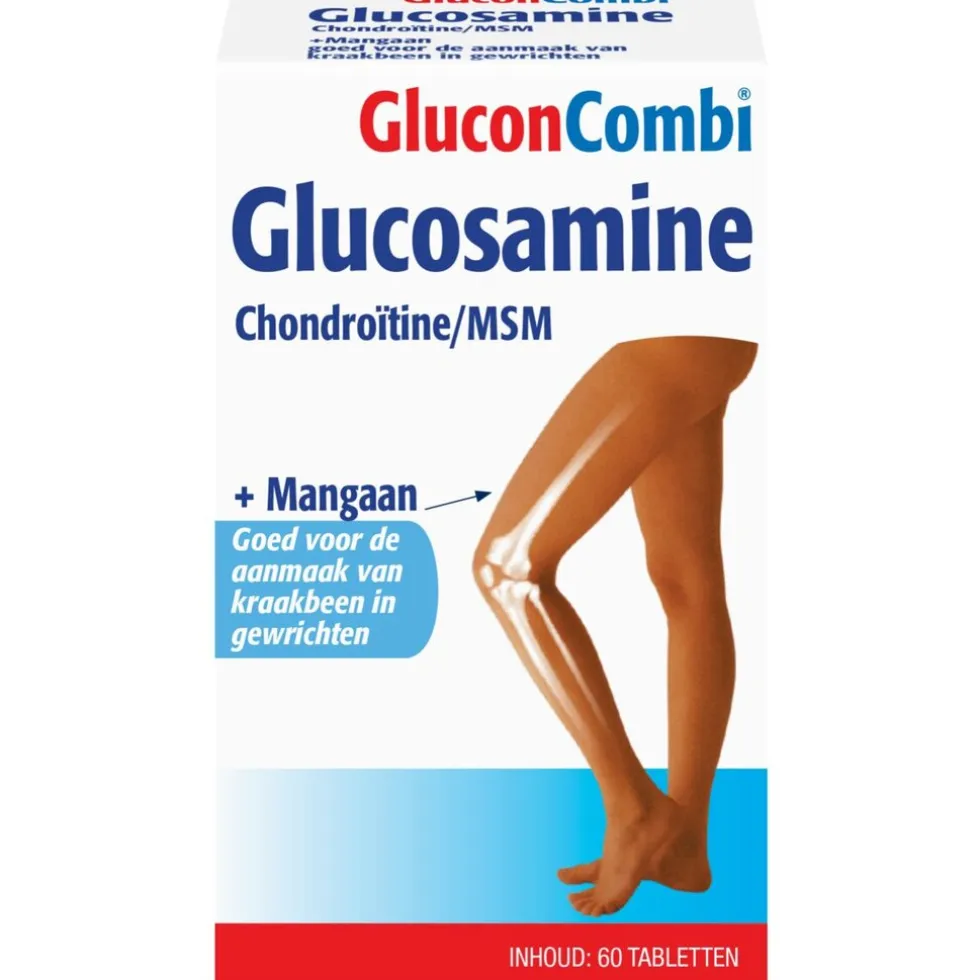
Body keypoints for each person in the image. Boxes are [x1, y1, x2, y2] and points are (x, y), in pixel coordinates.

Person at [473, 336, 758, 917]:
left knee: (508, 569)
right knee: (686, 582)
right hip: (712, 332)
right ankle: (683, 843)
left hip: (672, 327)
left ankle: (635, 808)